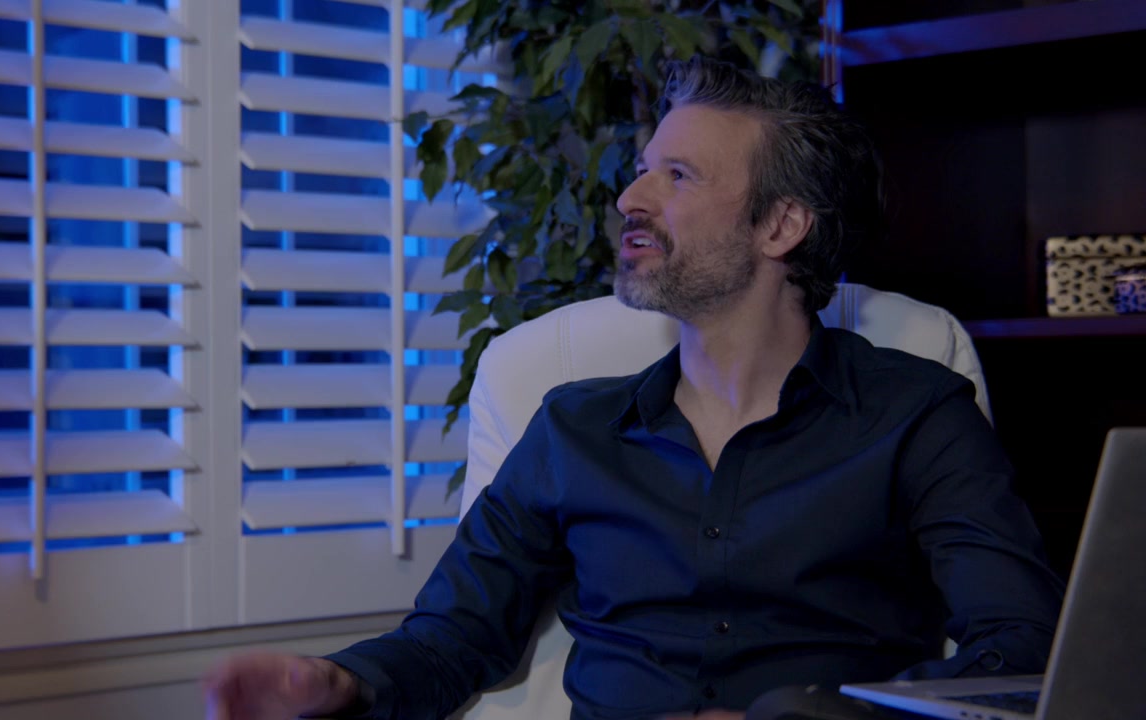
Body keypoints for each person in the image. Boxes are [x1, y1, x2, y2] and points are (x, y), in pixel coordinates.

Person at [205, 57, 1065, 720]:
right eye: (643, 168)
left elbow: (1018, 648)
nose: (629, 197)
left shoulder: (916, 415)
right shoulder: (573, 426)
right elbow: (456, 636)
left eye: (678, 176)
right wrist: (339, 684)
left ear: (780, 225)